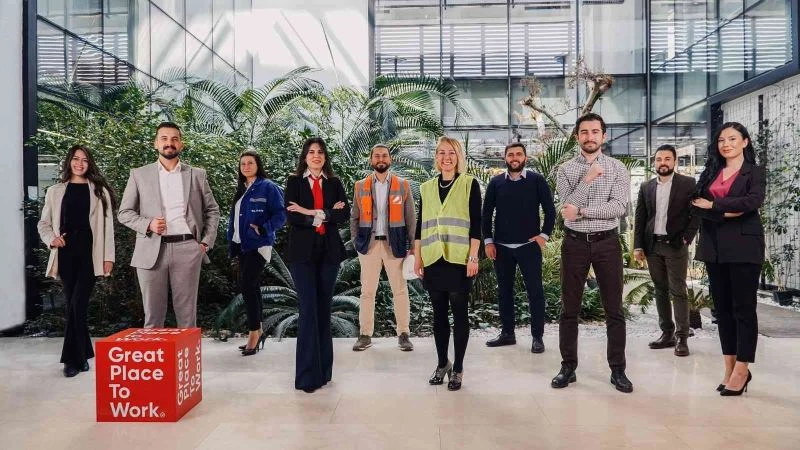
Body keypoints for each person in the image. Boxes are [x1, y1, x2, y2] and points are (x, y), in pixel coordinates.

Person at [552, 113, 633, 393]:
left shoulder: (617, 168)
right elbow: (567, 210)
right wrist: (587, 179)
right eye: (584, 132)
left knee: (614, 309)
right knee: (569, 309)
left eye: (595, 131)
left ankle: (618, 369)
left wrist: (583, 211)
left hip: (607, 243)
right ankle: (568, 367)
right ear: (577, 136)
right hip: (574, 243)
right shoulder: (564, 170)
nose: (590, 137)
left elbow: (617, 208)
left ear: (603, 136)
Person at [118, 122, 220, 328]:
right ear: (155, 143)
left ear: (181, 144)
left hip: (187, 249)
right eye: (164, 138)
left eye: (174, 139)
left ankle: (188, 351)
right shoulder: (139, 174)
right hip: (150, 249)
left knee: (187, 319)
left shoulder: (197, 175)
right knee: (153, 318)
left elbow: (212, 210)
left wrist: (205, 243)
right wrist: (148, 224)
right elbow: (124, 213)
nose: (169, 143)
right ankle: (153, 352)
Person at [691, 122, 765, 396]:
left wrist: (714, 205)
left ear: (745, 142)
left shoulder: (754, 172)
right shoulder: (711, 172)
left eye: (732, 139)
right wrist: (727, 211)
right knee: (722, 311)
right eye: (722, 140)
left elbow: (752, 202)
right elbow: (696, 204)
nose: (726, 144)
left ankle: (743, 369)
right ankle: (729, 367)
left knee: (743, 309)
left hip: (745, 248)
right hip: (714, 248)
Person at [37, 145, 115, 377]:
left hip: (91, 253)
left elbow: (108, 227)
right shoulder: (55, 191)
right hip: (66, 252)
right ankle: (83, 355)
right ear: (69, 161)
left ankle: (71, 360)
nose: (80, 163)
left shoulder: (99, 191)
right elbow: (43, 223)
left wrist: (108, 257)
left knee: (77, 305)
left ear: (89, 164)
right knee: (73, 305)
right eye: (76, 159)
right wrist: (52, 239)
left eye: (84, 160)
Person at [414, 136, 481, 391]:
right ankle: (443, 363)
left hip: (459, 259)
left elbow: (477, 224)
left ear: (458, 157)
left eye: (451, 153)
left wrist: (473, 256)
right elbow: (420, 226)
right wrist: (418, 257)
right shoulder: (426, 188)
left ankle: (459, 368)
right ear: (436, 157)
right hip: (433, 258)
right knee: (439, 315)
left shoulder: (469, 184)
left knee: (460, 313)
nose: (446, 158)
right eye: (442, 153)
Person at [285, 137, 350, 393]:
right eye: (311, 152)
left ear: (325, 157)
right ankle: (307, 377)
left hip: (329, 254)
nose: (316, 156)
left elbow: (343, 214)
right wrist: (323, 214)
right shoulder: (294, 182)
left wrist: (310, 211)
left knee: (323, 309)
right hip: (302, 255)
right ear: (305, 156)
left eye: (320, 152)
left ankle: (324, 372)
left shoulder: (334, 182)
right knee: (308, 309)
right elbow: (291, 215)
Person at [483, 143, 556, 353]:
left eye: (518, 154)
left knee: (535, 292)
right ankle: (507, 334)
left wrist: (543, 236)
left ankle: (537, 337)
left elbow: (550, 210)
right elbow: (486, 214)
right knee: (504, 292)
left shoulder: (536, 180)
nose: (514, 158)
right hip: (501, 248)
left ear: (525, 157)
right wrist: (488, 241)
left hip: (529, 247)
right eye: (510, 155)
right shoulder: (496, 183)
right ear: (505, 158)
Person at [633, 144, 699, 356]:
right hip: (653, 245)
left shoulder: (688, 184)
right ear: (655, 162)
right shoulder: (646, 187)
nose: (663, 163)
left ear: (675, 162)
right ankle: (667, 333)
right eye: (659, 159)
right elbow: (640, 217)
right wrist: (637, 245)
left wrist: (687, 238)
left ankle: (682, 338)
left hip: (676, 245)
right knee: (660, 290)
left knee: (678, 290)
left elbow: (696, 214)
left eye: (667, 159)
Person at [350, 144, 417, 352]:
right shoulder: (360, 185)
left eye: (384, 156)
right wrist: (356, 241)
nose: (381, 159)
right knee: (367, 292)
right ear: (371, 160)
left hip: (394, 245)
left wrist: (413, 246)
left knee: (400, 290)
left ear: (390, 159)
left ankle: (403, 334)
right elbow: (354, 217)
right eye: (377, 156)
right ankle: (365, 335)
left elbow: (411, 218)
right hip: (369, 246)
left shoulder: (402, 185)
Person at [227, 150, 286, 356]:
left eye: (250, 163)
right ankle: (258, 330)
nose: (246, 167)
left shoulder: (268, 187)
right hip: (241, 244)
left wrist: (264, 228)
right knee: (252, 287)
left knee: (247, 286)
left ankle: (254, 332)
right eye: (242, 163)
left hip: (258, 244)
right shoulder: (242, 188)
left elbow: (282, 214)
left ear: (257, 165)